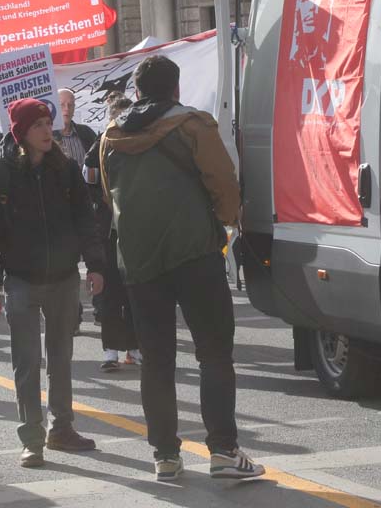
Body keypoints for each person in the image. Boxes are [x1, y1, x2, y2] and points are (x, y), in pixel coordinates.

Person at [100, 55, 265, 482]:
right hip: (194, 253)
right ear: (175, 89)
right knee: (213, 353)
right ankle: (224, 452)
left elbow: (109, 197)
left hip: (139, 261)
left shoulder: (110, 136)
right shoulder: (194, 124)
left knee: (156, 361)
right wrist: (227, 222)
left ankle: (165, 456)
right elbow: (223, 181)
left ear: (136, 91)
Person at [0, 98, 105, 469]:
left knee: (61, 358)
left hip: (64, 279)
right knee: (27, 362)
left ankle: (61, 428)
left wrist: (95, 265)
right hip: (21, 281)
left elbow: (86, 220)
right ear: (21, 133)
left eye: (49, 123)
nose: (48, 131)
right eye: (38, 125)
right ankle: (32, 439)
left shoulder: (65, 171)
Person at [85, 96, 140, 372]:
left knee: (134, 290)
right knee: (109, 292)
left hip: (134, 227)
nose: (120, 122)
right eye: (116, 117)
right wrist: (103, 199)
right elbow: (89, 178)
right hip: (108, 228)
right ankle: (110, 351)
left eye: (125, 116)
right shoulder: (100, 143)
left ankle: (134, 347)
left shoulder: (138, 141)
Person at [54, 87, 97, 334]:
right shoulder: (47, 135)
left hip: (86, 208)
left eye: (70, 104)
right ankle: (73, 313)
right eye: (62, 105)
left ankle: (101, 307)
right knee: (68, 264)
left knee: (94, 258)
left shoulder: (86, 134)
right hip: (60, 211)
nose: (67, 109)